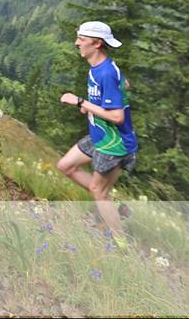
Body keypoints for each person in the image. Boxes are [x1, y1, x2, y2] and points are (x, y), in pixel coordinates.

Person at [56, 21, 138, 244]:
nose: (77, 43)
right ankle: (109, 204)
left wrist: (79, 101)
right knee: (66, 166)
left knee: (97, 190)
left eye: (81, 39)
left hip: (115, 143)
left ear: (97, 43)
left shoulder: (106, 72)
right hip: (100, 136)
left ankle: (121, 243)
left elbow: (117, 117)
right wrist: (92, 105)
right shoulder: (102, 68)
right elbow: (125, 85)